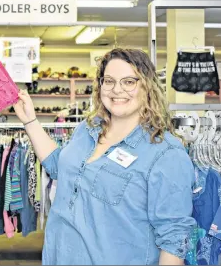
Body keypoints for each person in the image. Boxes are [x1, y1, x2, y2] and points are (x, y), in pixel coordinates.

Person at [14, 48, 196, 265]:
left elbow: (174, 239)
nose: (116, 90)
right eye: (109, 81)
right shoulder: (87, 129)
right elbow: (60, 168)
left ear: (147, 86)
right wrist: (30, 121)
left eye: (129, 82)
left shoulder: (166, 153)